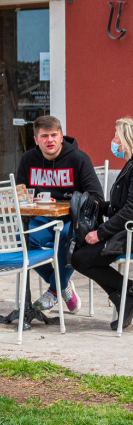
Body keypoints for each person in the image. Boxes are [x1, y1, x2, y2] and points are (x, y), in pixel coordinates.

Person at [15, 115, 103, 314]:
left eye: (54, 135)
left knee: (68, 239)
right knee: (22, 240)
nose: (50, 140)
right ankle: (62, 283)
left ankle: (54, 291)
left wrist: (73, 204)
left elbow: (97, 196)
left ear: (62, 136)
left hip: (71, 221)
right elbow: (20, 192)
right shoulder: (28, 159)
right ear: (36, 140)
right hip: (42, 219)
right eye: (44, 136)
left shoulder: (79, 159)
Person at [71, 117, 133, 330]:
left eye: (116, 136)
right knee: (81, 255)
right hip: (123, 232)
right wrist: (98, 205)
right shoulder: (129, 165)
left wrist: (101, 233)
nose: (113, 140)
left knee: (80, 258)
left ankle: (128, 292)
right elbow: (120, 206)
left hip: (129, 234)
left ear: (126, 138)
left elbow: (130, 211)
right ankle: (123, 298)